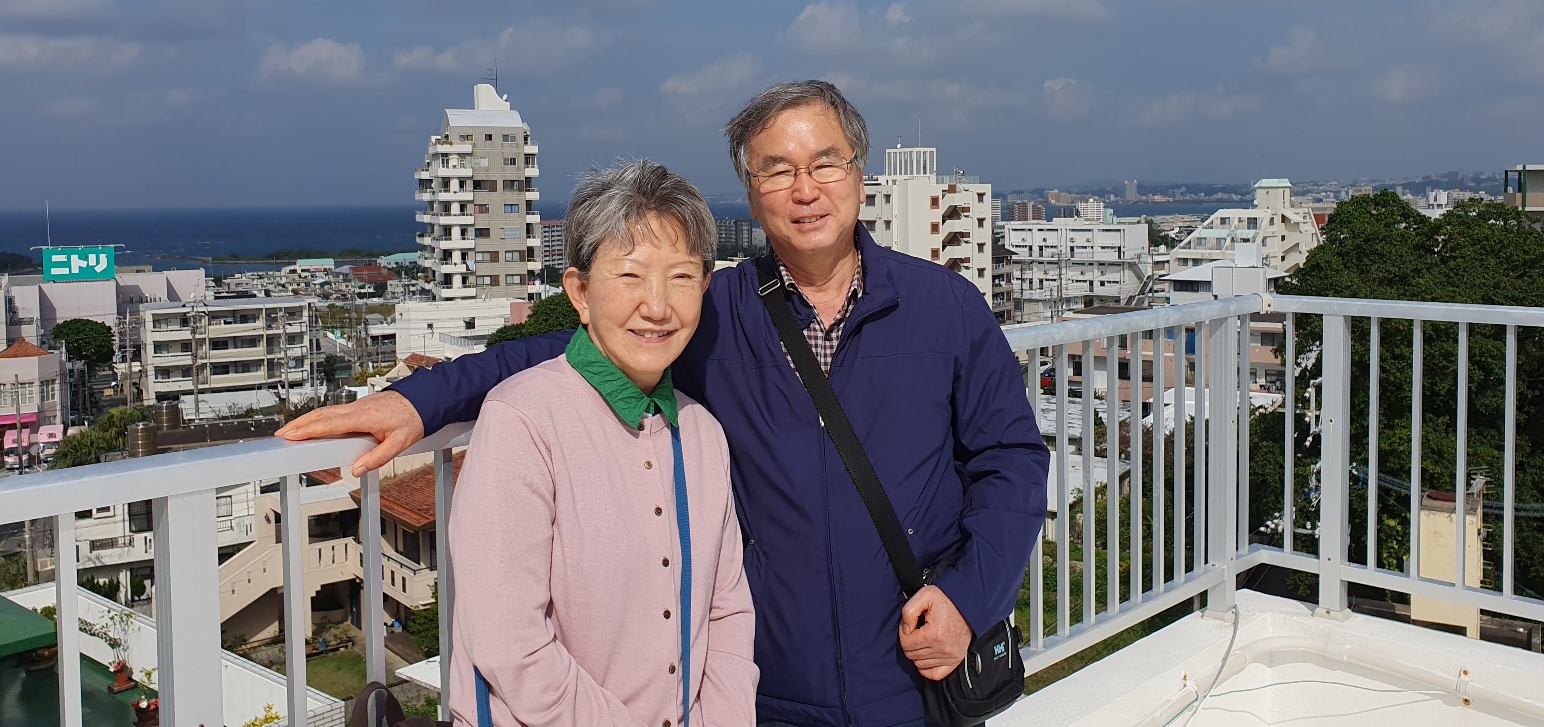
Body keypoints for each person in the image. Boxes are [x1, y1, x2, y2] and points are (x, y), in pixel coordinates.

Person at [282, 81, 1049, 727]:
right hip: (771, 691)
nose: (804, 188)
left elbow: (1011, 459)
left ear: (858, 169)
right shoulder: (718, 311)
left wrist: (968, 597)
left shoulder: (945, 307)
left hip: (913, 680)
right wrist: (420, 400)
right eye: (776, 169)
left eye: (825, 161)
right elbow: (576, 348)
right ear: (750, 190)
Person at [449, 159, 756, 726]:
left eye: (681, 277)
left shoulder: (702, 434)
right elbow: (510, 643)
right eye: (630, 276)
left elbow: (727, 610)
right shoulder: (523, 419)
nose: (657, 306)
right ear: (580, 292)